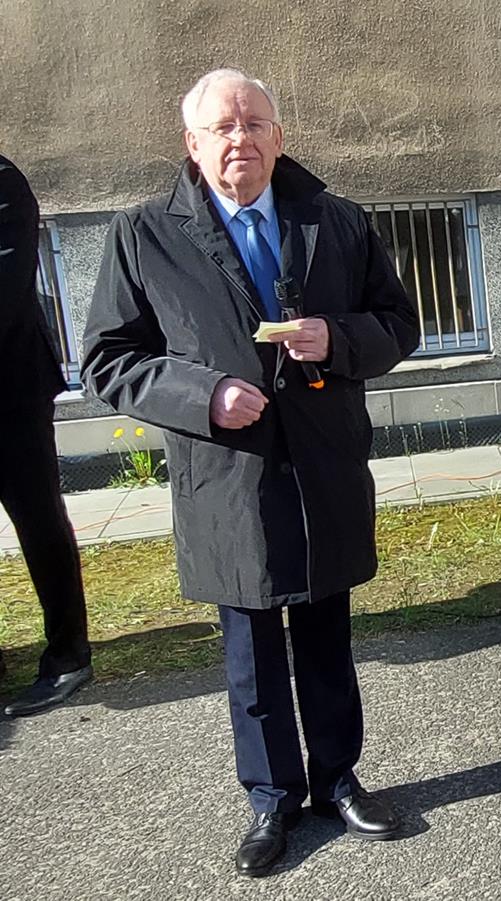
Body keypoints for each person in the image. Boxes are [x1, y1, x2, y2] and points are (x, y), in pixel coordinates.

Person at [80, 69, 420, 877]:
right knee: (253, 652)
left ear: (279, 135)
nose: (241, 138)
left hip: (323, 464)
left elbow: (399, 323)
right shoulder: (143, 234)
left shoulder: (335, 220)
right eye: (223, 127)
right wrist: (204, 395)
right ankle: (271, 798)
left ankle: (337, 778)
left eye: (255, 123)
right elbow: (107, 359)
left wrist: (337, 339)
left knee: (327, 635)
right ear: (192, 144)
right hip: (228, 476)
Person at [0, 153, 93, 717]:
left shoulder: (4, 181)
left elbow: (6, 292)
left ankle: (68, 654)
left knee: (38, 520)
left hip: (10, 388)